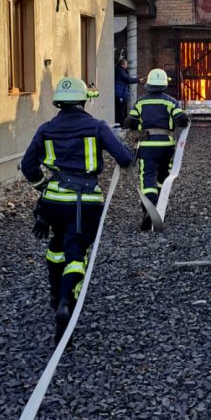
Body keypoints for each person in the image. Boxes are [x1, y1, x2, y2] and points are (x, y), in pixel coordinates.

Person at [21, 76, 133, 342]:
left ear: (59, 102)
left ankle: (54, 290)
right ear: (83, 100)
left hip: (53, 202)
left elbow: (28, 166)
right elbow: (125, 158)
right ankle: (65, 302)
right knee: (76, 253)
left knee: (57, 244)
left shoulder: (46, 128)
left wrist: (42, 187)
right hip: (85, 203)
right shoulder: (97, 127)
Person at [127, 68, 189, 231]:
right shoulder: (171, 101)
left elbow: (131, 122)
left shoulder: (140, 102)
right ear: (163, 86)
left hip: (147, 147)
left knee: (147, 176)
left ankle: (149, 206)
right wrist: (185, 116)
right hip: (166, 147)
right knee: (163, 175)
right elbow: (181, 121)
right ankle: (159, 205)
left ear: (148, 85)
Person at [114, 58, 145, 126]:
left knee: (121, 110)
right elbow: (128, 79)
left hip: (121, 94)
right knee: (120, 111)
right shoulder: (120, 71)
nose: (127, 66)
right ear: (123, 64)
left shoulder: (120, 70)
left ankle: (121, 124)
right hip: (120, 94)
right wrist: (138, 80)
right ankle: (121, 125)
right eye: (126, 64)